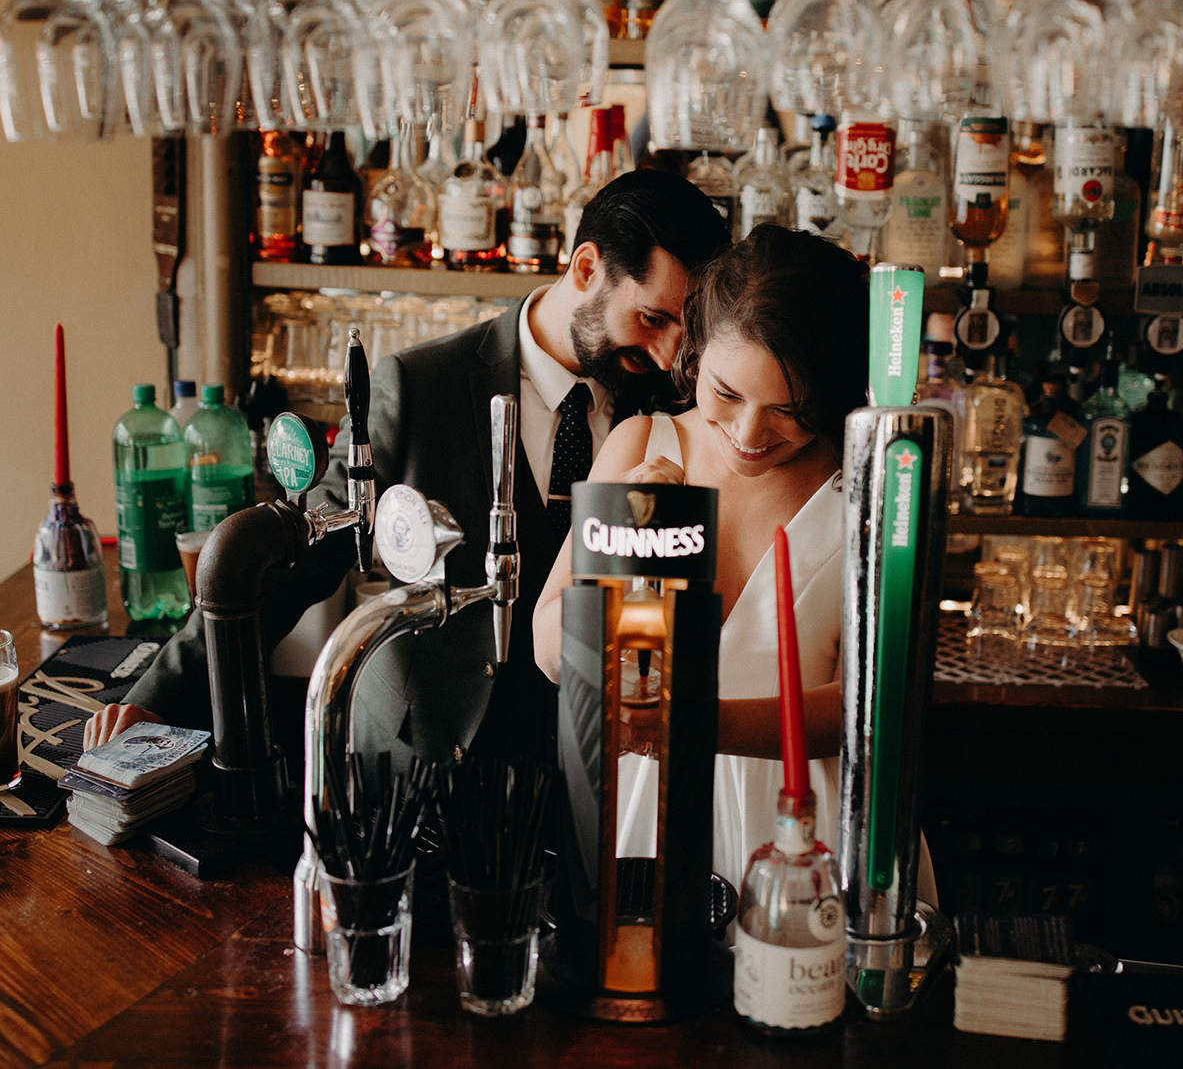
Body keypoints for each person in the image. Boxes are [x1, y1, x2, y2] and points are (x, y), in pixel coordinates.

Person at [85, 170, 731, 769]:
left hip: (583, 773)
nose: (672, 350)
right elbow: (287, 565)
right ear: (587, 268)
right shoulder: (421, 387)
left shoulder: (670, 411)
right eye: (653, 318)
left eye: (688, 326)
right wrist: (159, 699)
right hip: (422, 765)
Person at [530, 226, 869, 891]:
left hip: (804, 836)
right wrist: (616, 542)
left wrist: (698, 724)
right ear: (696, 349)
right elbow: (548, 647)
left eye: (790, 411)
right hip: (643, 820)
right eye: (726, 393)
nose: (748, 434)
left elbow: (869, 705)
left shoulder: (863, 486)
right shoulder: (637, 444)